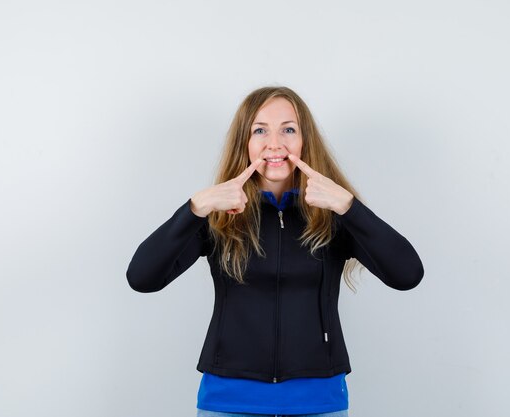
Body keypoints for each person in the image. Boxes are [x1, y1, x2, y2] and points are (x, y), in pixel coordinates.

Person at [126, 86, 424, 417]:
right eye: (260, 130)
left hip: (319, 402)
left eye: (288, 129)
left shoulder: (333, 216)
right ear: (245, 143)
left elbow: (407, 274)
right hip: (228, 402)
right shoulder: (219, 218)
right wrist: (196, 208)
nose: (275, 143)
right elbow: (142, 277)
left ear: (304, 140)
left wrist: (348, 207)